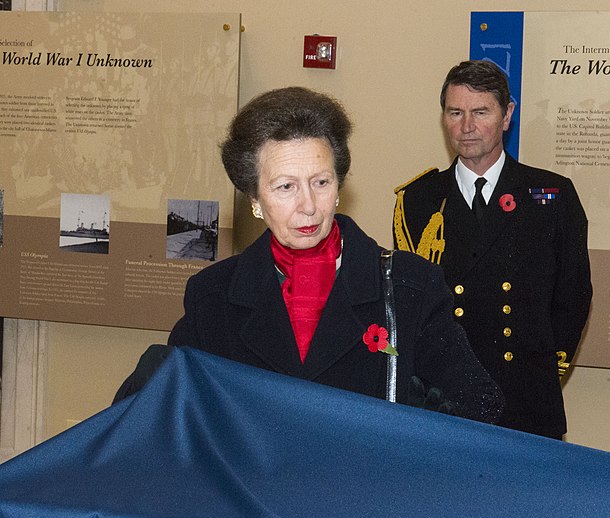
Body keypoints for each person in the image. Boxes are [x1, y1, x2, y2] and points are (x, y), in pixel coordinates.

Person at [118, 87, 503, 423]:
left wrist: (406, 428)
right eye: (285, 187)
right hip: (255, 500)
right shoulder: (213, 296)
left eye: (320, 182)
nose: (308, 206)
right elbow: (164, 413)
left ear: (338, 186)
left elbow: (479, 403)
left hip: (366, 497)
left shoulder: (409, 286)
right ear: (254, 198)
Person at [392, 60, 592, 438]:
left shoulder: (550, 195)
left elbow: (573, 296)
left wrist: (547, 366)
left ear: (507, 115)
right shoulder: (418, 201)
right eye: (456, 112)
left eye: (480, 112)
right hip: (443, 399)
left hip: (525, 398)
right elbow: (410, 303)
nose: (466, 126)